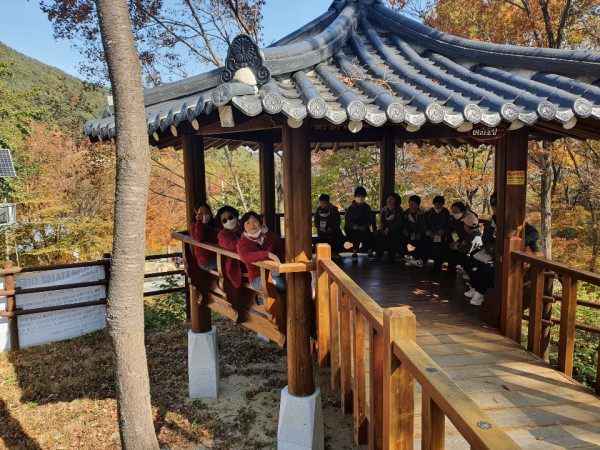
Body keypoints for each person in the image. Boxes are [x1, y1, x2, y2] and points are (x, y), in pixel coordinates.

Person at [237, 211, 285, 294]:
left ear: (260, 222)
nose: (252, 225)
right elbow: (245, 257)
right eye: (248, 223)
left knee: (292, 282)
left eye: (255, 221)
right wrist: (267, 254)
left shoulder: (270, 236)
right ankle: (261, 299)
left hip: (276, 273)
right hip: (257, 278)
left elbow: (281, 250)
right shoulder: (242, 243)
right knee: (281, 284)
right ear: (243, 227)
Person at [453, 212, 494, 306]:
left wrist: (456, 246)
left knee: (471, 265)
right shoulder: (474, 233)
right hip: (479, 257)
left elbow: (466, 249)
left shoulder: (474, 236)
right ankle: (475, 288)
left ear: (467, 226)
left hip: (481, 258)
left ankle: (478, 290)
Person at [344, 186, 377, 262]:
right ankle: (354, 253)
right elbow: (348, 221)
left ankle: (370, 252)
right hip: (352, 228)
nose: (361, 198)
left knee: (367, 233)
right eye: (359, 196)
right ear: (355, 196)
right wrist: (356, 227)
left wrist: (366, 225)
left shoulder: (367, 207)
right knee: (356, 233)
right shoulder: (350, 207)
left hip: (364, 227)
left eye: (362, 196)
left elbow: (370, 219)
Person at [216, 205, 243, 288]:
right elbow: (232, 246)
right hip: (239, 266)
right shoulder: (222, 234)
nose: (229, 221)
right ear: (221, 223)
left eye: (231, 217)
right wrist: (250, 237)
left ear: (236, 216)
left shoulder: (245, 227)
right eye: (224, 220)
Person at [423, 195, 451, 275]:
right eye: (437, 204)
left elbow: (448, 225)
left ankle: (437, 267)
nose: (439, 206)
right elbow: (424, 224)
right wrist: (428, 232)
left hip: (441, 237)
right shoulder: (429, 212)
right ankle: (422, 262)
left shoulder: (446, 212)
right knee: (427, 246)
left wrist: (442, 231)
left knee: (440, 250)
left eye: (441, 204)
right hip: (430, 236)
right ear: (434, 204)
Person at [189, 202, 218, 271]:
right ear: (197, 214)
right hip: (206, 262)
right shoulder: (194, 226)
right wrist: (201, 223)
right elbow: (198, 239)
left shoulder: (214, 224)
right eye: (201, 213)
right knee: (230, 265)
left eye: (206, 212)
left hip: (218, 255)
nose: (204, 215)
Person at [314, 193, 344, 259]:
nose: (322, 204)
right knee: (321, 238)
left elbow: (337, 221)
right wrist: (321, 228)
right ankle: (324, 254)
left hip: (333, 230)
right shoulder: (318, 210)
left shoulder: (334, 210)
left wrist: (330, 229)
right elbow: (316, 222)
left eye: (324, 202)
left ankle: (334, 252)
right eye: (321, 202)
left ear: (328, 202)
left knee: (337, 237)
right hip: (322, 230)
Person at [377, 193, 404, 262]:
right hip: (385, 229)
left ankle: (394, 254)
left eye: (392, 199)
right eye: (388, 198)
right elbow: (381, 221)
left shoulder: (399, 210)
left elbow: (398, 222)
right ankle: (383, 253)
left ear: (396, 201)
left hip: (396, 229)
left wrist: (389, 228)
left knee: (394, 234)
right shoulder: (384, 209)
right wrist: (383, 229)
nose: (389, 200)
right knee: (378, 234)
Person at [402, 195, 427, 267]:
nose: (410, 205)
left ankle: (415, 259)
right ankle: (402, 256)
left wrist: (419, 233)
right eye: (410, 203)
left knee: (420, 241)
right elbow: (404, 224)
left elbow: (424, 226)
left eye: (412, 203)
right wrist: (405, 230)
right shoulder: (406, 212)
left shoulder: (423, 213)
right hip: (410, 232)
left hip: (420, 232)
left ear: (417, 204)